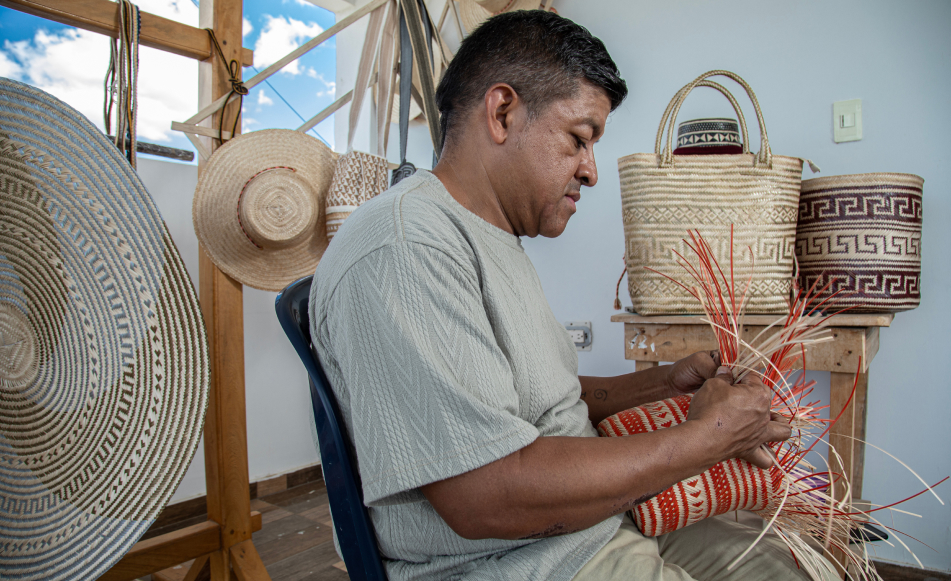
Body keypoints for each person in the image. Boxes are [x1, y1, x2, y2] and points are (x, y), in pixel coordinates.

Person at [309, 10, 821, 581]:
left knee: (794, 565)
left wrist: (662, 383)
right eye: (579, 139)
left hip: (595, 520)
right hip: (522, 561)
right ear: (502, 113)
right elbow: (486, 497)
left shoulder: (490, 235)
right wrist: (710, 438)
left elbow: (537, 401)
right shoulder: (408, 246)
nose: (591, 171)